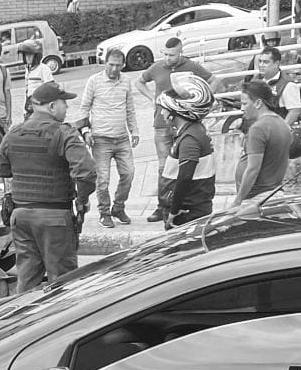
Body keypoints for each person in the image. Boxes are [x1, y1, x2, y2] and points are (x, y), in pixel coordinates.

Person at [0, 82, 95, 293]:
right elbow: (86, 172)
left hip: (21, 216)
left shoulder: (14, 133)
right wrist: (82, 200)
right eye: (63, 103)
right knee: (63, 283)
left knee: (27, 279)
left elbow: (2, 169)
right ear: (51, 107)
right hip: (54, 217)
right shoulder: (64, 133)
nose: (66, 108)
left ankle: (23, 320)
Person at [135, 37, 214, 223]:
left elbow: (186, 175)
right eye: (165, 54)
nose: (168, 58)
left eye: (172, 55)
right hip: (162, 126)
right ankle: (161, 205)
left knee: (182, 168)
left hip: (189, 210)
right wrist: (153, 100)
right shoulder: (156, 67)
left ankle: (169, 205)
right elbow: (139, 82)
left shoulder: (191, 66)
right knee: (165, 168)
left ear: (181, 53)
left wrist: (201, 101)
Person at [76, 48, 139, 229]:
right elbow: (84, 108)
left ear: (123, 65)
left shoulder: (126, 81)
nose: (113, 69)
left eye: (118, 66)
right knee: (102, 179)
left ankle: (118, 207)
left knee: (129, 173)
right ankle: (104, 212)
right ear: (105, 63)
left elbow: (130, 109)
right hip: (100, 139)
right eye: (111, 65)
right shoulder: (94, 81)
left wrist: (134, 131)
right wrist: (86, 131)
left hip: (122, 138)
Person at [156, 74, 217, 229]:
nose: (162, 113)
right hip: (191, 209)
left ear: (177, 110)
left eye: (164, 109)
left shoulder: (190, 139)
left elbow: (185, 176)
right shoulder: (192, 131)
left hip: (187, 213)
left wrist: (174, 211)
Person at [232, 79, 292, 206]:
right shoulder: (282, 123)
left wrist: (238, 201)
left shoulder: (258, 128)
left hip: (257, 198)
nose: (242, 108)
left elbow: (253, 169)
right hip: (274, 194)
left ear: (258, 103)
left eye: (245, 103)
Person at [254, 45, 301, 128]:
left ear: (276, 64)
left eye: (266, 62)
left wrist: (280, 130)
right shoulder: (256, 80)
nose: (261, 65)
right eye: (260, 61)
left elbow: (295, 111)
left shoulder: (288, 85)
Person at [18, 39, 53, 114]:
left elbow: (51, 89)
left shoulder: (43, 68)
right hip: (30, 108)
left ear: (36, 55)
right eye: (25, 55)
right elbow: (28, 90)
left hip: (41, 109)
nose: (27, 57)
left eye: (30, 54)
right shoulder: (28, 69)